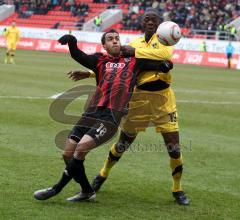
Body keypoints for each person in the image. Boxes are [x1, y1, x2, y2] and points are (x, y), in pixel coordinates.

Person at [33, 29, 173, 202]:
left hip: (111, 116)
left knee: (81, 149)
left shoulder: (135, 61)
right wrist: (72, 41)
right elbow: (79, 56)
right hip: (92, 112)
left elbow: (161, 64)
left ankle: (55, 189)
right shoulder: (99, 60)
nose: (115, 41)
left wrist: (165, 65)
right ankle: (87, 191)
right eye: (110, 39)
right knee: (67, 154)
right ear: (104, 45)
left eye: (117, 38)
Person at [70, 8, 190, 206]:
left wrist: (133, 51)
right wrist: (90, 73)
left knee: (174, 148)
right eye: (147, 19)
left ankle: (177, 189)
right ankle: (102, 174)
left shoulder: (166, 41)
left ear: (160, 23)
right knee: (123, 143)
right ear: (142, 23)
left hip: (164, 100)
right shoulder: (134, 43)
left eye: (154, 19)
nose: (150, 22)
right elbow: (118, 65)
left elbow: (163, 56)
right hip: (139, 100)